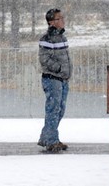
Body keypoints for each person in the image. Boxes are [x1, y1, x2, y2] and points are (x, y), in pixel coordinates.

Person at [37, 8, 72, 152]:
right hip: (53, 79)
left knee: (60, 109)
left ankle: (48, 137)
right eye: (59, 18)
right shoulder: (47, 39)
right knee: (53, 109)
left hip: (63, 79)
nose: (63, 20)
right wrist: (58, 69)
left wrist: (66, 72)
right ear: (52, 22)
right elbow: (44, 59)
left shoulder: (62, 38)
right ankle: (51, 140)